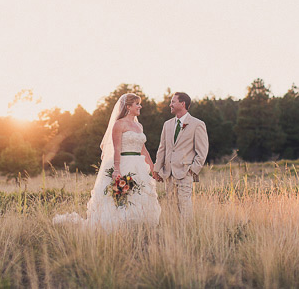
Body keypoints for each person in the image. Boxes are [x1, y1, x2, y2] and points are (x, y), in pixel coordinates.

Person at [53, 93, 161, 229]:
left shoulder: (139, 127)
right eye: (137, 104)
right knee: (122, 198)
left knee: (140, 195)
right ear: (128, 107)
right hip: (124, 164)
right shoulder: (119, 124)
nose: (140, 106)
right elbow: (117, 148)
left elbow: (143, 149)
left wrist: (152, 168)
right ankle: (120, 227)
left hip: (139, 165)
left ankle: (139, 226)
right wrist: (117, 169)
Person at [153, 92, 209, 217]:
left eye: (173, 102)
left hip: (185, 172)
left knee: (185, 207)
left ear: (182, 104)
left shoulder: (197, 124)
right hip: (168, 173)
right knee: (171, 208)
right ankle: (175, 235)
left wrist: (193, 170)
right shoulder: (167, 125)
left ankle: (187, 234)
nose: (170, 105)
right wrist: (157, 169)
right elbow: (162, 148)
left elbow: (202, 151)